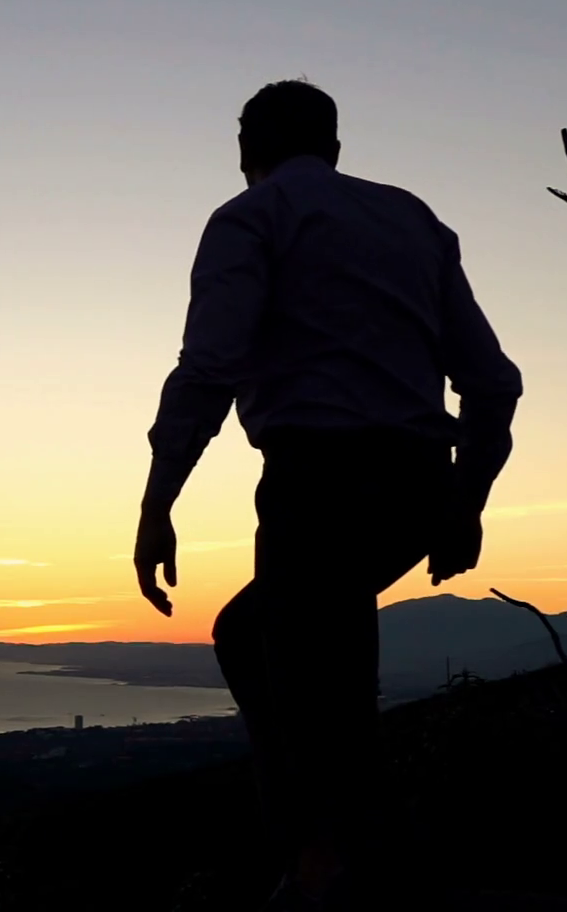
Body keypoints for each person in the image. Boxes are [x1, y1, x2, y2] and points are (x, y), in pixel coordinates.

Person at [133, 79, 522, 909]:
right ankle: (330, 855)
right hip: (413, 487)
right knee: (263, 644)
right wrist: (463, 499)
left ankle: (327, 872)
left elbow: (209, 367)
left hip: (316, 485)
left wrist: (157, 501)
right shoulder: (414, 220)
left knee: (315, 693)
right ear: (336, 148)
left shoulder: (251, 218)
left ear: (246, 151)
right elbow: (491, 383)